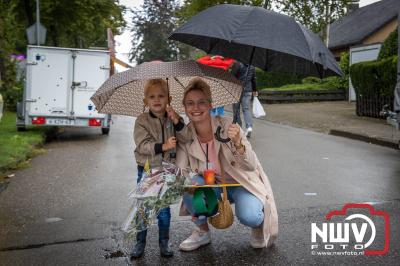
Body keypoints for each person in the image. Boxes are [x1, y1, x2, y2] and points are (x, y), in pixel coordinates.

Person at [176, 78, 278, 251]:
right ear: (184, 107)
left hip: (241, 183)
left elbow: (251, 166)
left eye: (202, 102)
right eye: (190, 103)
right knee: (189, 189)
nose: (196, 108)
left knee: (250, 215)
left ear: (210, 105)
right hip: (212, 184)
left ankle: (258, 226)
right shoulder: (186, 136)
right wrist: (186, 182)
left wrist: (238, 142)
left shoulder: (228, 126)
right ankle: (202, 231)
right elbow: (180, 170)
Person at [131, 78, 190, 259]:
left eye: (161, 96)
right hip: (147, 169)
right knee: (144, 208)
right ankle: (140, 242)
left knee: (163, 210)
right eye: (152, 97)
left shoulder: (173, 118)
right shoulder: (142, 120)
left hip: (167, 171)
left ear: (169, 99)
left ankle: (164, 242)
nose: (157, 100)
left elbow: (187, 137)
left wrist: (177, 122)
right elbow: (142, 144)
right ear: (145, 101)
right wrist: (163, 146)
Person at [232, 61, 258, 137]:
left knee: (236, 110)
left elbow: (232, 77)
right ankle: (249, 127)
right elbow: (253, 80)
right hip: (248, 90)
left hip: (237, 89)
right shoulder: (252, 66)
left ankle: (239, 128)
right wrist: (255, 90)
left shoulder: (237, 64)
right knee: (246, 109)